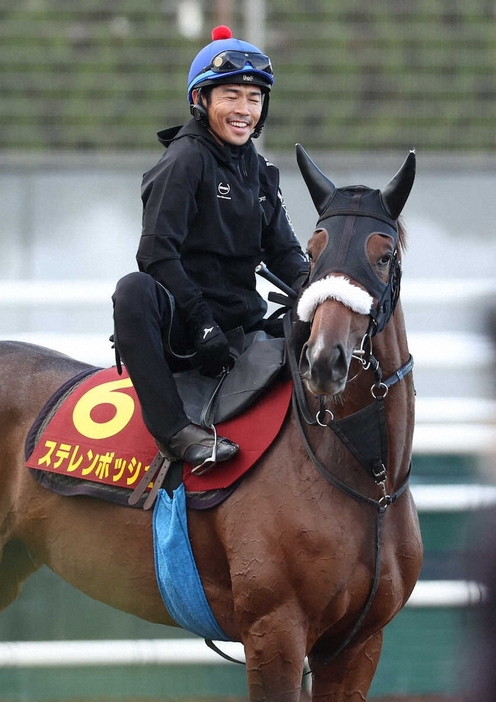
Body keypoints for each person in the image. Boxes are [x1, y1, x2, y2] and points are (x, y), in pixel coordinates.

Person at [112, 25, 309, 474]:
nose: (245, 110)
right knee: (133, 290)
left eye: (254, 98)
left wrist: (316, 288)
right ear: (201, 101)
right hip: (186, 328)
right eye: (231, 96)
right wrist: (201, 323)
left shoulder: (259, 169)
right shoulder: (184, 161)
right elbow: (156, 255)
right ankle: (175, 431)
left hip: (241, 322)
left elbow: (284, 252)